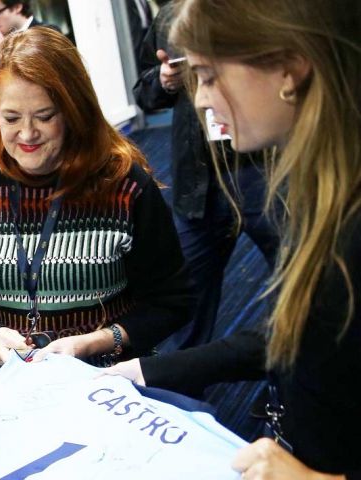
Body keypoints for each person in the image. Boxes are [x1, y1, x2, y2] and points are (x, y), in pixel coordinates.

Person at [106, 0, 361, 477]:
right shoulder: (319, 193)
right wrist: (143, 371)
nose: (200, 100)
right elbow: (300, 332)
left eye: (207, 75)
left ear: (288, 68)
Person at [0, 27, 193, 382]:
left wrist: (96, 342)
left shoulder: (124, 188)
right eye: (11, 118)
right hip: (11, 391)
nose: (27, 134)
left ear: (74, 112)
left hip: (107, 388)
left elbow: (172, 301)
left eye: (44, 116)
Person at [133, 2, 279, 350]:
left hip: (264, 172)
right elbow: (144, 93)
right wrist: (164, 81)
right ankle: (184, 396)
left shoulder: (260, 11)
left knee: (301, 286)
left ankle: (286, 390)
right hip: (198, 181)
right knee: (188, 299)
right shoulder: (170, 17)